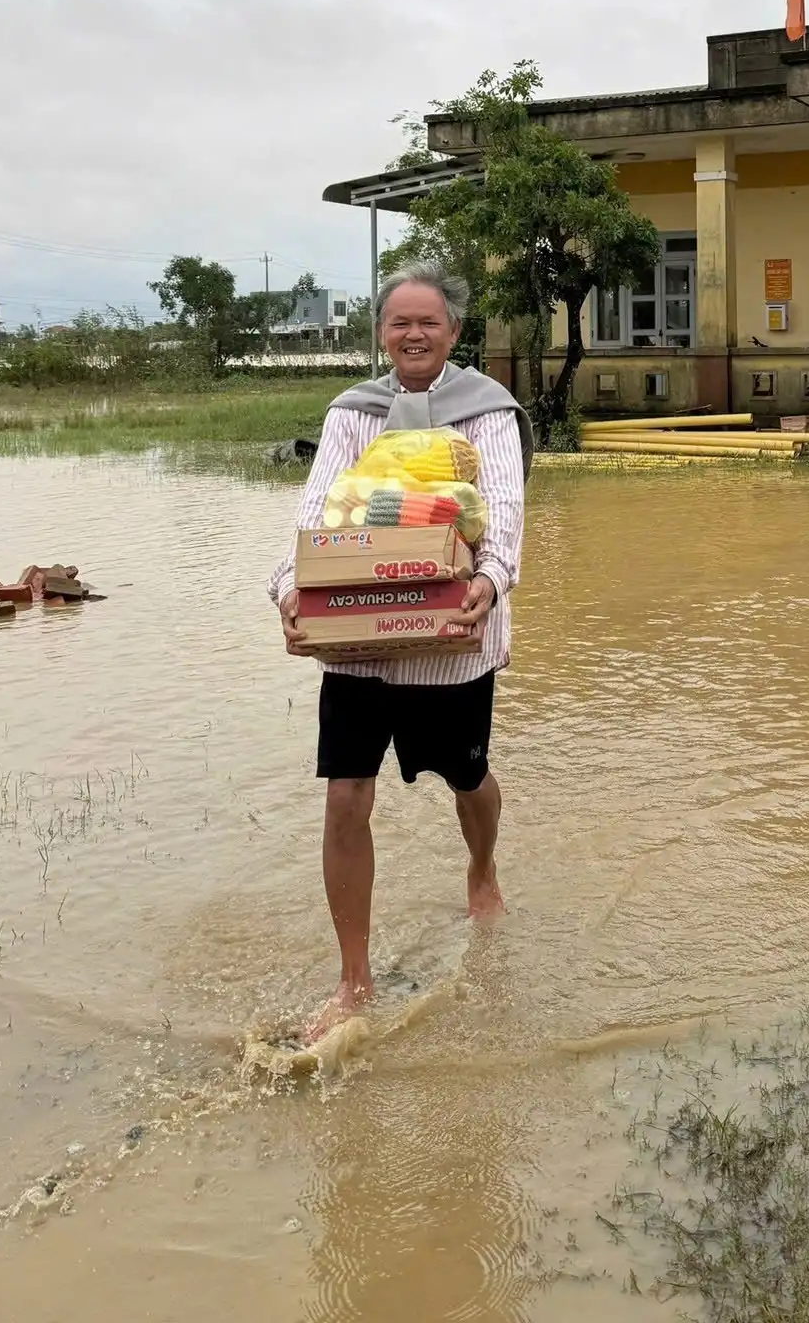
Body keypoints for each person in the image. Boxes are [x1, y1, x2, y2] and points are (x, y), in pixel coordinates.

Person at [270, 260, 532, 1039]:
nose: (413, 335)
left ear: (454, 331)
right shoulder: (353, 412)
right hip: (355, 638)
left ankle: (481, 869)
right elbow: (316, 510)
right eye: (398, 323)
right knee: (346, 795)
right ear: (380, 332)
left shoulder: (485, 410)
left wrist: (489, 579)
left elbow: (505, 511)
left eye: (428, 322)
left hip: (451, 638)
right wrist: (290, 590)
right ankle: (354, 979)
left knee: (467, 775)